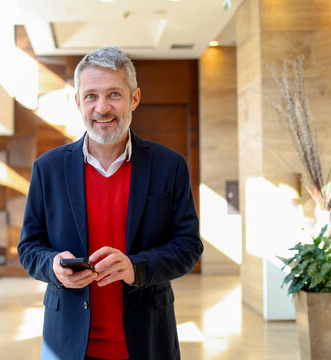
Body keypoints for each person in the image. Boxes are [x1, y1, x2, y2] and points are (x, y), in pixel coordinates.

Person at [18, 46, 203, 360]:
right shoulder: (47, 169)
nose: (102, 108)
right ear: (78, 102)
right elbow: (28, 247)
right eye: (90, 96)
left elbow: (188, 247)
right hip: (68, 345)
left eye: (114, 94)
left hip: (147, 343)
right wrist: (52, 266)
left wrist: (135, 268)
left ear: (134, 98)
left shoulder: (169, 165)